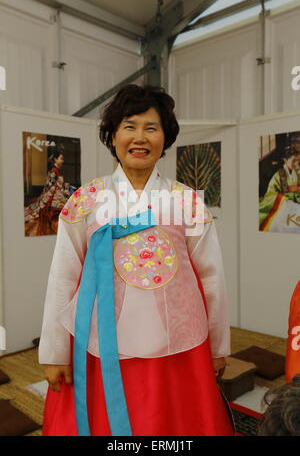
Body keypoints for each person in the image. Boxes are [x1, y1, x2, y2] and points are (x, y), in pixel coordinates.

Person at [38, 84, 234, 436]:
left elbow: (212, 278)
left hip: (178, 347)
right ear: (113, 136)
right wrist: (54, 352)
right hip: (99, 345)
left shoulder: (186, 201)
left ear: (165, 138)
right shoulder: (86, 201)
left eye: (151, 128)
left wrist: (218, 347)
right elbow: (63, 277)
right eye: (129, 126)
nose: (139, 137)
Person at [24, 152, 71, 236]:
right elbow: (51, 183)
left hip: (58, 189)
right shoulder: (54, 170)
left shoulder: (57, 170)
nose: (62, 161)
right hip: (54, 191)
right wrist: (61, 188)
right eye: (61, 158)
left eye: (62, 159)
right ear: (55, 159)